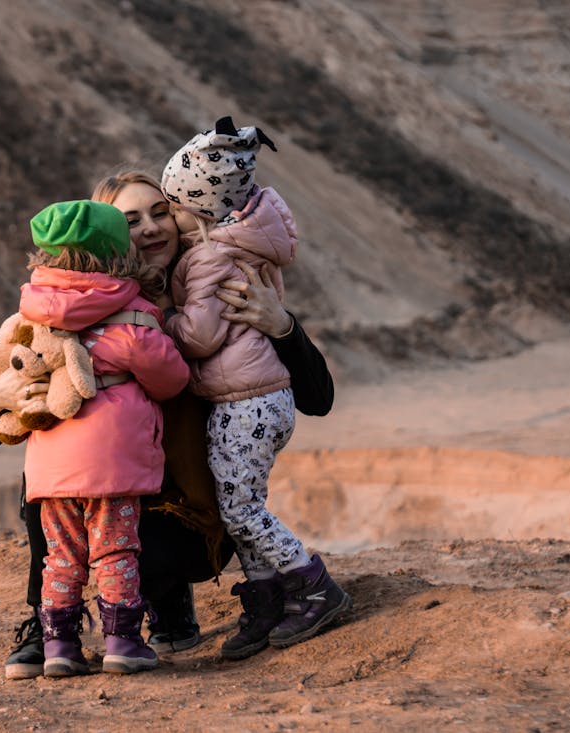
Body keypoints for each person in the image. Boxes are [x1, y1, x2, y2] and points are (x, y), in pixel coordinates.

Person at [0, 172, 336, 680]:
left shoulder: (213, 289)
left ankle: (166, 598)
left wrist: (283, 326)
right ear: (108, 237)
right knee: (49, 476)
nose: (151, 229)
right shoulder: (72, 305)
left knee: (117, 518)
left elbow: (319, 399)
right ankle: (43, 623)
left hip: (187, 519)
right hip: (109, 500)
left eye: (160, 212)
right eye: (130, 220)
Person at [158, 117, 351, 660]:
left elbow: (199, 336)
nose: (166, 221)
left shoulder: (208, 257)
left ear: (196, 212)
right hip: (256, 397)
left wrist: (163, 322)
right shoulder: (242, 245)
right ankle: (266, 600)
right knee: (238, 500)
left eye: (171, 208)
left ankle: (313, 586)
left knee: (241, 508)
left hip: (246, 401)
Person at [9, 199, 189, 677]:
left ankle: (58, 648)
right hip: (113, 463)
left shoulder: (35, 310)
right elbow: (171, 381)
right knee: (115, 549)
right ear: (120, 255)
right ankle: (122, 642)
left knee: (61, 556)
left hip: (50, 462)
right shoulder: (135, 317)